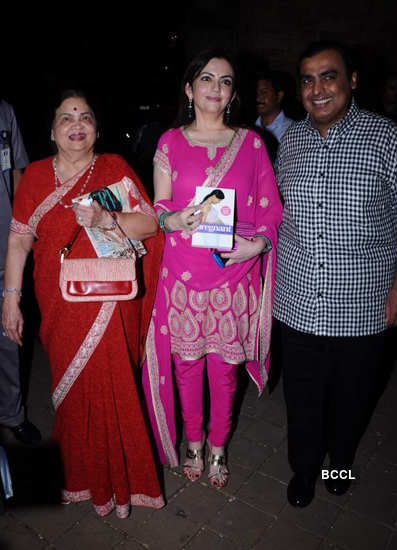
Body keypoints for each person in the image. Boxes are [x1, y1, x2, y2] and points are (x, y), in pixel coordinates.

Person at [2, 90, 164, 518]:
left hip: (111, 299)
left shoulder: (113, 169)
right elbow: (18, 241)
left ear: (97, 128)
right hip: (59, 303)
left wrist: (106, 218)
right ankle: (83, 479)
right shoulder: (34, 176)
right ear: (52, 130)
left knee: (114, 388)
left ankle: (122, 486)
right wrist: (10, 300)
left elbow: (150, 224)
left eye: (86, 116)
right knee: (73, 394)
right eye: (66, 117)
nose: (77, 124)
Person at [142, 50, 282, 488]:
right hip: (183, 272)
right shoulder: (169, 142)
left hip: (233, 272)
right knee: (186, 363)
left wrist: (256, 245)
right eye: (206, 78)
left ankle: (218, 448)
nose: (215, 88)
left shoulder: (252, 144)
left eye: (224, 81)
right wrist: (171, 219)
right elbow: (160, 204)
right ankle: (193, 443)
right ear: (189, 88)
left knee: (224, 367)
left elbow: (270, 208)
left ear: (233, 93)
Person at [273, 41, 397, 507]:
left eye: (329, 76)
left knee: (351, 402)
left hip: (363, 306)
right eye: (307, 79)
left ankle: (339, 463)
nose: (317, 89)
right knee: (302, 401)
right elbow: (274, 214)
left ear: (352, 81)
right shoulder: (290, 141)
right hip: (299, 301)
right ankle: (304, 471)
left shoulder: (387, 138)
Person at [0, 98, 41, 446]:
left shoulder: (5, 111)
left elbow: (17, 171)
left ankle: (12, 414)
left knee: (8, 336)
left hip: (3, 242)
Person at [255, 71, 294, 143]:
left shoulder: (292, 131)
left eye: (264, 92)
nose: (258, 98)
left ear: (279, 96)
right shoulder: (249, 130)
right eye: (256, 93)